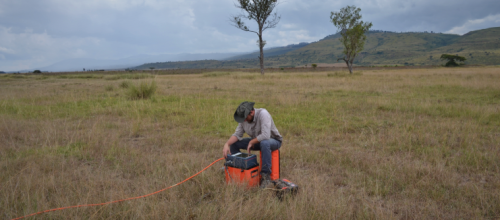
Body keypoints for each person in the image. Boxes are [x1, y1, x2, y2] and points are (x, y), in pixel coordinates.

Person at [222, 101, 283, 188]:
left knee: (264, 143)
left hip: (273, 140)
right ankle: (237, 167)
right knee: (234, 143)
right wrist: (227, 144)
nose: (244, 120)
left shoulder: (263, 114)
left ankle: (265, 177)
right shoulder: (244, 119)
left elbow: (266, 135)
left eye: (245, 118)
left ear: (252, 112)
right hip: (257, 141)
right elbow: (237, 134)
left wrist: (251, 142)